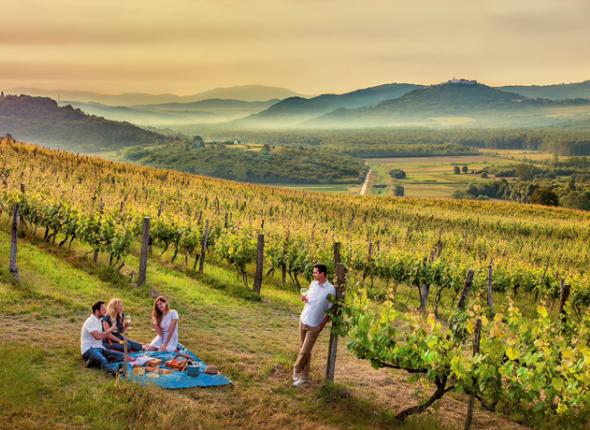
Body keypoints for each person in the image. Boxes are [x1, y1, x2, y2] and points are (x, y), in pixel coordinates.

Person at [292, 263, 336, 387]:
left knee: (304, 351)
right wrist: (305, 298)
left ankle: (296, 369)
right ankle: (304, 378)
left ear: (323, 274)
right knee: (305, 352)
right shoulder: (313, 284)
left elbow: (331, 310)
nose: (313, 274)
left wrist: (321, 325)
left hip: (315, 325)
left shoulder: (330, 289)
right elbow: (309, 298)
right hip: (303, 319)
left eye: (316, 272)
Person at [80, 300, 125, 376]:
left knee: (122, 356)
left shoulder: (100, 320)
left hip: (100, 348)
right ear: (97, 311)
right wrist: (110, 330)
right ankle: (113, 373)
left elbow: (104, 335)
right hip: (89, 349)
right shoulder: (90, 321)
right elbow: (98, 336)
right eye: (103, 309)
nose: (105, 311)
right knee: (103, 360)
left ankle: (92, 361)